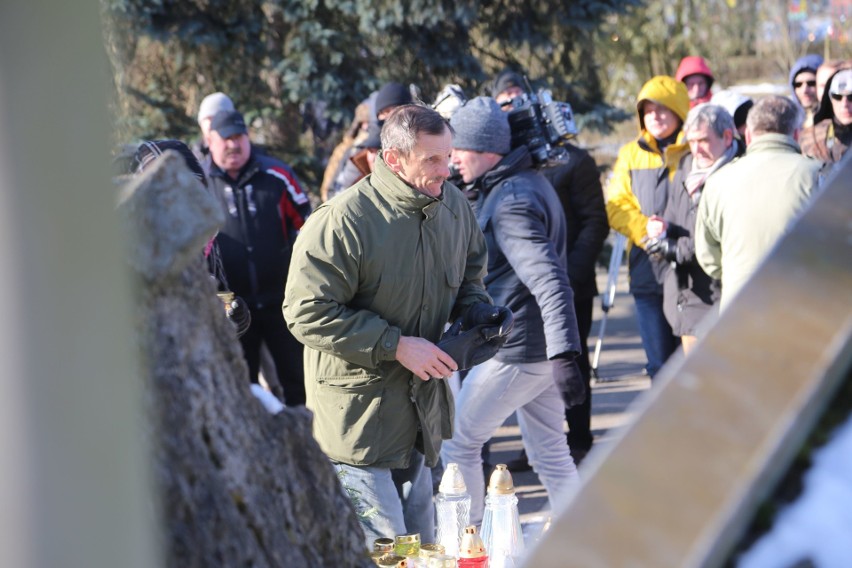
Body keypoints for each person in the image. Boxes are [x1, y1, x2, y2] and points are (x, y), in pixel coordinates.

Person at [283, 104, 503, 544]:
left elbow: (470, 278)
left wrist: (479, 312)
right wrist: (396, 344)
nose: (448, 170)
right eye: (432, 160)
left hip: (420, 416)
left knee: (419, 547)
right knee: (386, 550)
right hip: (359, 425)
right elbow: (305, 311)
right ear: (393, 159)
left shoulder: (453, 207)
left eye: (448, 155)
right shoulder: (343, 221)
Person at [441, 97, 583, 525]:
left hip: (519, 351)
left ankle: (470, 546)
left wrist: (564, 356)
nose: (452, 161)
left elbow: (549, 279)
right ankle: (579, 542)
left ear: (485, 150)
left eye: (457, 151)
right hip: (534, 349)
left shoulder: (511, 202)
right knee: (551, 453)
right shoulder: (520, 184)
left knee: (459, 443)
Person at [491, 72, 608, 464]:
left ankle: (578, 437)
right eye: (502, 101)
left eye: (515, 99)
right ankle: (539, 445)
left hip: (571, 281)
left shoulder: (573, 160)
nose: (510, 107)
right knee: (533, 366)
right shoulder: (503, 168)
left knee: (569, 359)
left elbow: (594, 222)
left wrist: (569, 273)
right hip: (525, 290)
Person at [204, 110, 312, 406]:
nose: (233, 145)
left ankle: (305, 446)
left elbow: (310, 228)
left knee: (298, 383)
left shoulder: (277, 175)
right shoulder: (201, 185)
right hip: (234, 309)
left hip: (283, 303)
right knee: (241, 389)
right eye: (225, 139)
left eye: (239, 137)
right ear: (210, 141)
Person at [695, 96, 821, 311]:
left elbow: (708, 257)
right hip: (802, 309)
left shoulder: (717, 182)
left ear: (748, 135)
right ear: (797, 134)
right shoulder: (819, 174)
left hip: (738, 311)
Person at [606, 76, 689, 378]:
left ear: (680, 110)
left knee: (692, 365)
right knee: (659, 366)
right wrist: (645, 229)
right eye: (647, 110)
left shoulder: (695, 148)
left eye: (662, 108)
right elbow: (616, 205)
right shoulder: (630, 153)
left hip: (691, 274)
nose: (654, 116)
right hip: (647, 273)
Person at [645, 104, 742, 352]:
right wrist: (661, 229)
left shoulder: (741, 170)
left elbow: (725, 238)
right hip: (689, 295)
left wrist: (677, 249)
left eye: (704, 140)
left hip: (726, 294)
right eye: (692, 141)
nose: (697, 148)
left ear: (727, 137)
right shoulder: (686, 167)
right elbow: (673, 214)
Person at [800, 66, 852, 180]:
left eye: (851, 97)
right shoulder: (811, 137)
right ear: (830, 99)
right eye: (837, 96)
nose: (844, 104)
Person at [194, 92, 236, 168]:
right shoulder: (191, 158)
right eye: (208, 118)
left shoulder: (241, 155)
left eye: (217, 118)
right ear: (201, 123)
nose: (212, 124)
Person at [789, 54, 824, 128]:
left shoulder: (839, 120)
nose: (805, 90)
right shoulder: (788, 122)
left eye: (811, 83)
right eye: (798, 84)